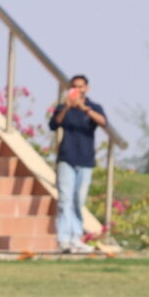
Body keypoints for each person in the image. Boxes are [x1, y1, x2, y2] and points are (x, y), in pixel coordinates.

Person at [45, 73, 109, 253]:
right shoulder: (63, 107)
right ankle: (64, 239)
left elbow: (103, 122)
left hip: (86, 159)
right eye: (74, 86)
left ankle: (76, 238)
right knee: (65, 199)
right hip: (67, 158)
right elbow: (54, 124)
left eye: (81, 86)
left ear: (86, 88)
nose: (78, 89)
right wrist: (67, 107)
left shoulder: (93, 107)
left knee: (78, 201)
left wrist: (84, 108)